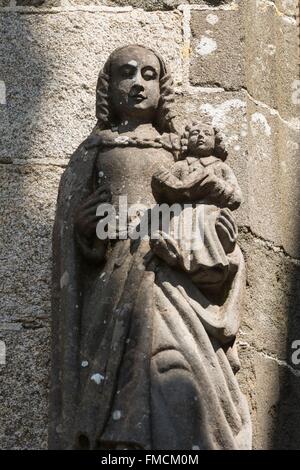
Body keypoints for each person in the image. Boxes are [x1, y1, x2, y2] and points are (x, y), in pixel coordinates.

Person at [50, 45, 251, 450]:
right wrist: (84, 233)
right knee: (123, 368)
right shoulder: (94, 151)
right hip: (114, 282)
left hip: (169, 273)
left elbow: (216, 201)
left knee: (178, 364)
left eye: (148, 74)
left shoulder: (180, 151)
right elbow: (69, 239)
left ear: (163, 88)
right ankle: (123, 445)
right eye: (127, 74)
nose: (139, 83)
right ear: (109, 86)